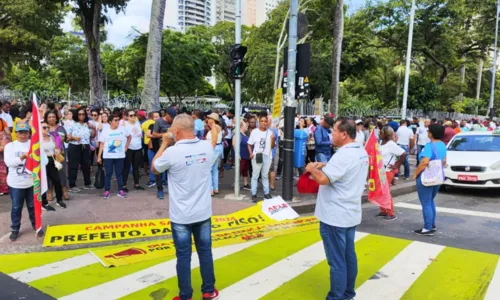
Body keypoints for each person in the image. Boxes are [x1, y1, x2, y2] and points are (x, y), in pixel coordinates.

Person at [152, 114, 219, 300]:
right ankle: (209, 290)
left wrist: (164, 143)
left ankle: (185, 296)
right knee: (205, 252)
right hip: (203, 211)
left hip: (181, 215)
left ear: (176, 131)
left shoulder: (172, 152)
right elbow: (213, 139)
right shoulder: (206, 147)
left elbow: (154, 168)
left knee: (183, 256)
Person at [305, 118, 369, 300]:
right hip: (350, 213)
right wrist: (325, 165)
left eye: (333, 131)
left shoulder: (343, 155)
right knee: (348, 256)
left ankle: (336, 296)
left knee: (337, 260)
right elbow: (344, 170)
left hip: (335, 216)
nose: (331, 134)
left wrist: (311, 168)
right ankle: (348, 292)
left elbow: (324, 180)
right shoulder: (359, 151)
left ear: (344, 134)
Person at [5, 123, 41, 241]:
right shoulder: (10, 146)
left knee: (32, 205)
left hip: (31, 182)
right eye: (20, 132)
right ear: (16, 133)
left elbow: (43, 161)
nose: (23, 135)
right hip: (16, 183)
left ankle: (36, 226)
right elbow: (9, 163)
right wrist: (22, 157)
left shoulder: (34, 144)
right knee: (16, 207)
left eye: (25, 132)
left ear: (29, 133)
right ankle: (15, 229)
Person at [413, 123, 447, 236]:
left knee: (426, 203)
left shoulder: (429, 146)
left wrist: (415, 174)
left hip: (426, 178)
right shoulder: (442, 145)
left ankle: (428, 228)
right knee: (431, 201)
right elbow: (444, 161)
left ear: (431, 133)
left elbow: (424, 162)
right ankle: (432, 224)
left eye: (428, 131)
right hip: (437, 177)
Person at [97, 114, 131, 199]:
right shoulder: (105, 131)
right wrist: (99, 156)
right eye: (115, 120)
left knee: (119, 174)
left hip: (120, 156)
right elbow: (101, 144)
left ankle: (120, 190)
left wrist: (126, 146)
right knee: (108, 173)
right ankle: (107, 190)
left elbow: (129, 136)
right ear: (110, 122)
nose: (117, 122)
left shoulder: (123, 129)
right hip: (108, 156)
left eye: (118, 120)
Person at [378, 126, 406, 219]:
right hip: (380, 170)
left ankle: (390, 213)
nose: (379, 133)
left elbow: (403, 154)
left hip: (387, 171)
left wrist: (396, 165)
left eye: (381, 132)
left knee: (385, 192)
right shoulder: (381, 143)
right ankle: (383, 210)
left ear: (386, 134)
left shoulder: (391, 144)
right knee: (381, 191)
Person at [247, 114, 275, 202]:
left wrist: (273, 139)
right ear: (259, 122)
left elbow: (272, 146)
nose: (263, 123)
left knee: (265, 175)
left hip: (267, 156)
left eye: (265, 121)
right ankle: (254, 194)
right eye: (262, 121)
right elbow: (249, 144)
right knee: (255, 176)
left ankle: (266, 193)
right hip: (257, 156)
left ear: (267, 122)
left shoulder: (270, 133)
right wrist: (251, 153)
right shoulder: (254, 132)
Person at [67, 107, 95, 192]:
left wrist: (93, 128)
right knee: (73, 166)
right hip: (74, 146)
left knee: (86, 165)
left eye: (83, 114)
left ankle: (87, 183)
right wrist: (74, 138)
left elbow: (92, 135)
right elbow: (67, 137)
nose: (81, 116)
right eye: (79, 114)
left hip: (85, 146)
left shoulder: (88, 124)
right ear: (76, 115)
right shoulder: (72, 124)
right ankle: (72, 185)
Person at [40, 120, 66, 210]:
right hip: (42, 161)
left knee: (57, 180)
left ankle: (59, 200)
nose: (47, 129)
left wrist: (57, 151)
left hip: (52, 160)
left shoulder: (51, 137)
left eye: (47, 127)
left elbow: (57, 147)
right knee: (43, 182)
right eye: (44, 127)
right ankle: (44, 202)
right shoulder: (37, 139)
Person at [122, 109, 144, 191]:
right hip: (129, 148)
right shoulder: (125, 124)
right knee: (126, 167)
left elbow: (140, 135)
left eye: (134, 115)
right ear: (127, 117)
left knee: (136, 167)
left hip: (138, 147)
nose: (133, 117)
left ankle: (137, 184)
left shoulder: (138, 123)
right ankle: (123, 185)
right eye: (131, 115)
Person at [205, 113, 223, 196]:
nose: (208, 119)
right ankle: (215, 188)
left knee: (208, 169)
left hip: (214, 149)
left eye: (209, 118)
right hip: (217, 149)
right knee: (215, 170)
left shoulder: (214, 127)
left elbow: (214, 140)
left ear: (213, 119)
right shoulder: (216, 127)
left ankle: (210, 189)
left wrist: (209, 150)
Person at [233, 120, 250, 190]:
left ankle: (246, 184)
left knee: (244, 170)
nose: (247, 126)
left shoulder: (243, 134)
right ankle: (236, 184)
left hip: (245, 156)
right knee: (239, 170)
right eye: (245, 125)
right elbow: (234, 144)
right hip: (241, 156)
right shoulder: (238, 134)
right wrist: (238, 155)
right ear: (241, 126)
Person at [0, 116, 11, 195]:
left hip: (2, 147)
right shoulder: (2, 120)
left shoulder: (2, 121)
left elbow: (8, 133)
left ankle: (4, 189)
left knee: (3, 170)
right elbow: (8, 133)